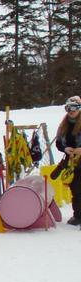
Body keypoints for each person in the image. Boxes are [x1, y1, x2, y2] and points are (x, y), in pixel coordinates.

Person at [55, 96, 81, 226]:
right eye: (69, 108)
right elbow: (59, 143)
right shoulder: (64, 125)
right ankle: (78, 216)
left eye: (74, 107)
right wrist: (65, 149)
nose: (72, 111)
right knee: (75, 189)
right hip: (71, 163)